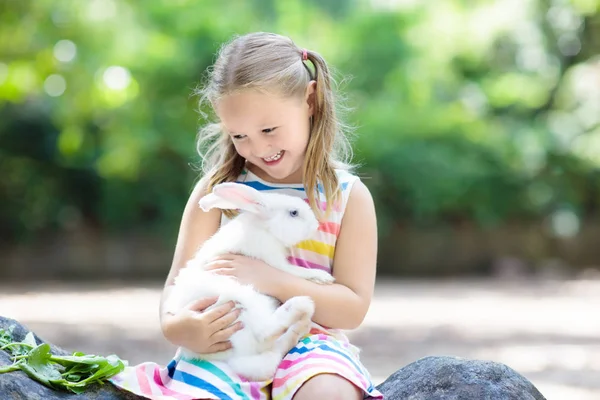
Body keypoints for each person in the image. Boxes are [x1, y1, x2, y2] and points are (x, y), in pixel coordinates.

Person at [110, 31, 382, 400]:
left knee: (326, 389)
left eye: (269, 129)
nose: (258, 148)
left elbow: (352, 308)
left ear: (310, 100)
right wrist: (180, 328)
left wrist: (271, 279)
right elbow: (177, 283)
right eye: (240, 136)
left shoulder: (347, 198)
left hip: (311, 343)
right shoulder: (219, 192)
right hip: (230, 340)